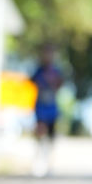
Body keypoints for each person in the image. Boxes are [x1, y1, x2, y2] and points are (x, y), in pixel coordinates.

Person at [30, 43, 64, 176]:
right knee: (39, 133)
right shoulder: (39, 71)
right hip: (40, 108)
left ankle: (50, 164)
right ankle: (38, 161)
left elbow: (60, 84)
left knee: (51, 137)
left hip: (52, 109)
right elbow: (31, 81)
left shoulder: (56, 71)